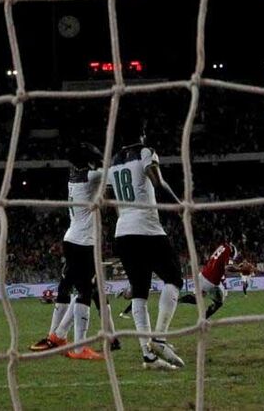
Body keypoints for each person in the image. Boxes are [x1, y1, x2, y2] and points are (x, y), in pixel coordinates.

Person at [110, 121, 187, 370]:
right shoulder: (145, 152)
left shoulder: (113, 162)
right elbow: (158, 183)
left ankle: (148, 356)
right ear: (142, 134)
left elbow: (112, 198)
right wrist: (180, 206)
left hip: (123, 232)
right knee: (174, 278)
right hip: (146, 228)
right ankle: (160, 339)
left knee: (139, 291)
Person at [29, 142, 105, 360]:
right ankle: (79, 348)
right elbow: (108, 171)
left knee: (66, 287)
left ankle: (56, 336)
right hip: (84, 243)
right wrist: (99, 157)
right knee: (85, 292)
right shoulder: (92, 176)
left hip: (71, 239)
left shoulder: (73, 176)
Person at [180, 242, 238, 318]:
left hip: (203, 274)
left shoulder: (222, 247)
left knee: (196, 299)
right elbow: (228, 267)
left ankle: (177, 300)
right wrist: (240, 270)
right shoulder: (228, 252)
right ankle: (204, 318)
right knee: (218, 303)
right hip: (211, 280)